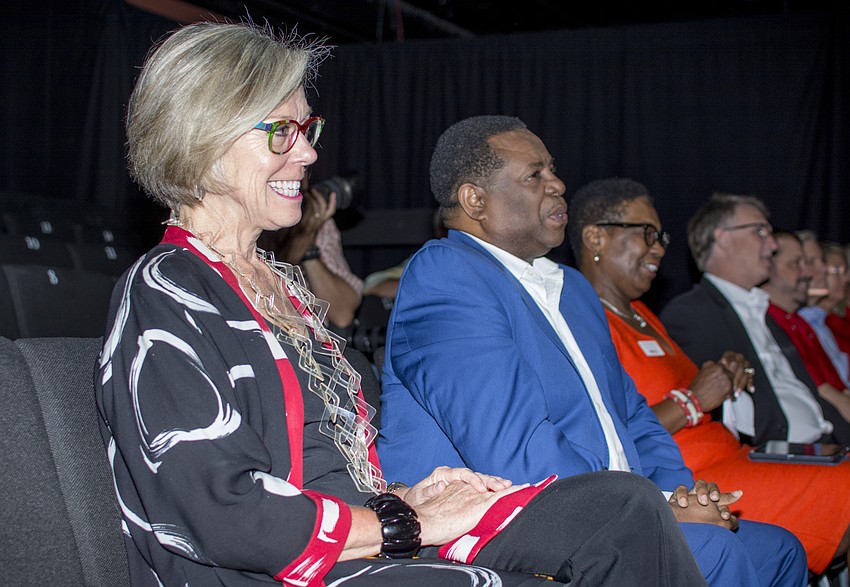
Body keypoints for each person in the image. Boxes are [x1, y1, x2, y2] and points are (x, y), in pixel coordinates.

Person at [94, 22, 710, 587]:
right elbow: (224, 513)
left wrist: (410, 496)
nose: (307, 153)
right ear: (201, 139)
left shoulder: (277, 285)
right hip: (281, 572)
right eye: (281, 131)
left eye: (308, 130)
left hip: (366, 538)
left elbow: (330, 466)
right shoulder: (167, 289)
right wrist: (406, 521)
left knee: (623, 507)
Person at [378, 115, 807, 586]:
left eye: (553, 169)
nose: (558, 184)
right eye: (534, 175)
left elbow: (631, 415)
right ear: (475, 200)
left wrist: (681, 495)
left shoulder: (575, 290)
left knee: (779, 550)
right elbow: (512, 449)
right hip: (502, 521)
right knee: (718, 552)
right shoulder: (448, 275)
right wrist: (659, 510)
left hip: (612, 510)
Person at [568, 177, 850, 576]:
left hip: (734, 454)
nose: (659, 248)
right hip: (689, 479)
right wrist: (694, 401)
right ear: (595, 237)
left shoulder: (644, 315)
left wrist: (724, 374)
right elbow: (607, 436)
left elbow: (693, 390)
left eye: (661, 236)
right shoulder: (582, 321)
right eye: (647, 233)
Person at [659, 193, 850, 447]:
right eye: (760, 231)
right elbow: (720, 414)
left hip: (826, 445)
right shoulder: (690, 314)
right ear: (723, 238)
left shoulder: (766, 313)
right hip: (777, 454)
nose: (772, 244)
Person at [258, 183, 363, 334]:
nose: (296, 173)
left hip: (304, 337)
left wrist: (308, 245)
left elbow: (342, 314)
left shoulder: (316, 218)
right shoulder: (245, 219)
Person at [762, 231, 850, 403]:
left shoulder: (802, 323)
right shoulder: (774, 321)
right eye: (798, 263)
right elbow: (823, 393)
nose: (814, 272)